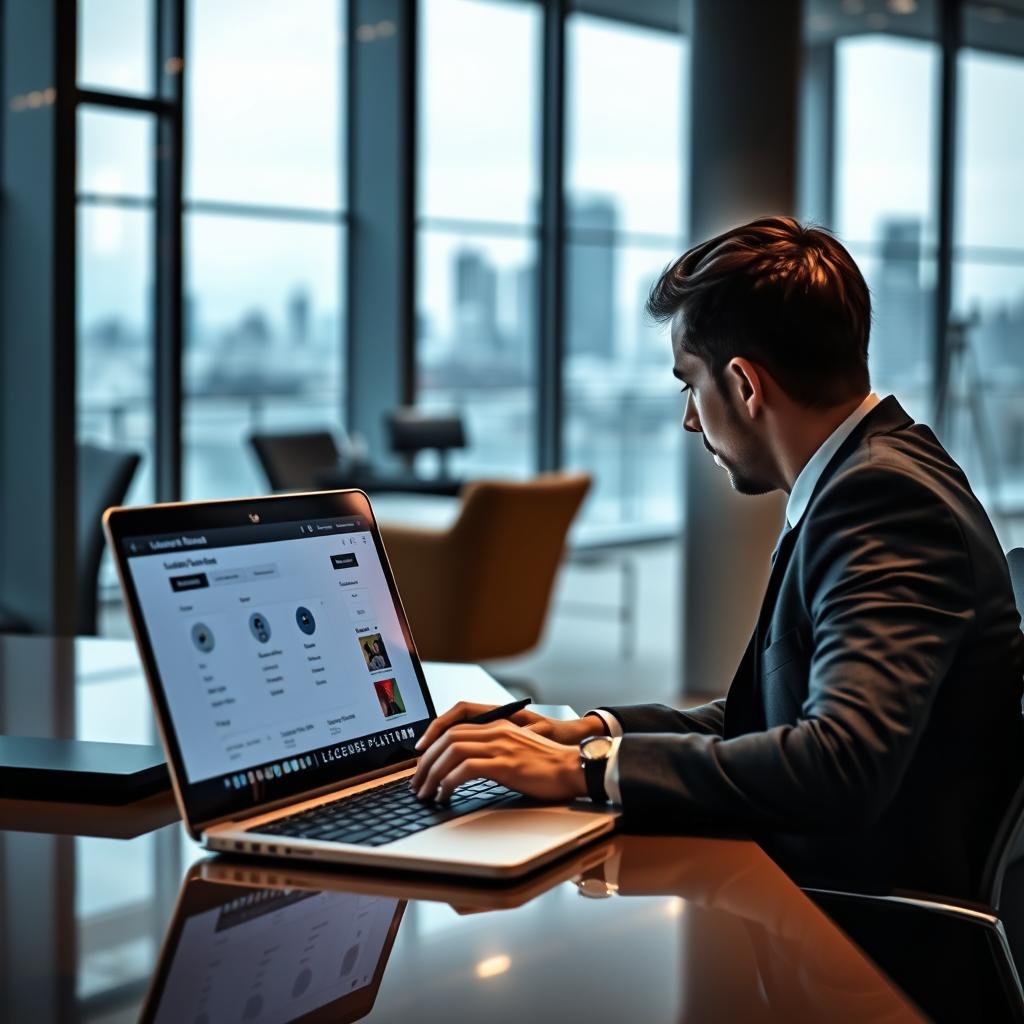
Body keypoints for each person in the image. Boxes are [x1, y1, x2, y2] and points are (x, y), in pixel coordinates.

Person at [411, 216, 1024, 898]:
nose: (690, 420)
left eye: (689, 385)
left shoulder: (880, 501)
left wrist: (589, 769)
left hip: (861, 938)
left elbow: (839, 763)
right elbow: (767, 720)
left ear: (745, 385)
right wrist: (582, 735)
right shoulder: (878, 470)